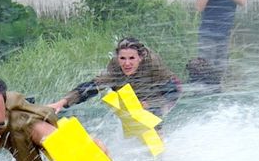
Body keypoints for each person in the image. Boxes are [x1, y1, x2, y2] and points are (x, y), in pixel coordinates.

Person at [47, 36, 182, 118]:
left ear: (140, 58)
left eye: (131, 58)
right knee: (105, 86)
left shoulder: (153, 65)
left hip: (167, 90)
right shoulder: (115, 67)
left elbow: (173, 91)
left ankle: (161, 152)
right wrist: (62, 103)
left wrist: (150, 104)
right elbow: (92, 86)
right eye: (122, 58)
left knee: (152, 112)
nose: (127, 63)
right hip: (134, 90)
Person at [195, 0, 247, 85]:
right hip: (207, 34)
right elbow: (199, 8)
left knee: (220, 68)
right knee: (205, 67)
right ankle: (203, 90)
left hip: (224, 34)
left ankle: (216, 91)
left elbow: (242, 1)